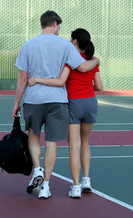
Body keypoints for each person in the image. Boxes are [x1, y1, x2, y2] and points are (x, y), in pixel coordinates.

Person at [12, 11, 100, 199]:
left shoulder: (28, 45)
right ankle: (45, 186)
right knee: (52, 143)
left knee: (33, 136)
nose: (59, 30)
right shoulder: (65, 46)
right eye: (59, 26)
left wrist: (16, 102)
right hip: (58, 101)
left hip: (34, 99)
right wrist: (97, 60)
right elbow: (83, 67)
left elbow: (23, 77)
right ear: (54, 24)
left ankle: (37, 170)